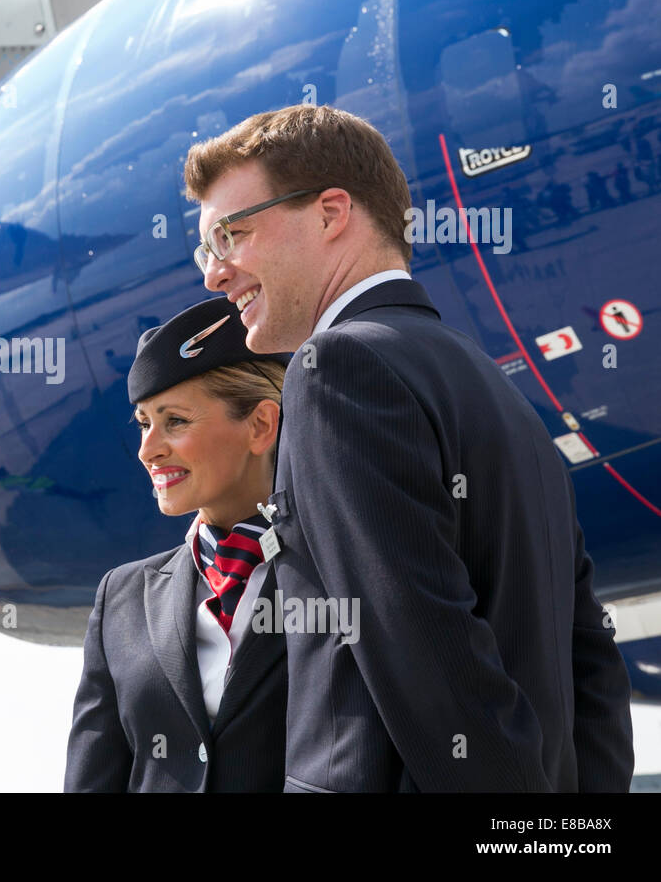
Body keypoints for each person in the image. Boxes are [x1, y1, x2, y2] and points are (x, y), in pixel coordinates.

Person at [183, 103, 634, 792]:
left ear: (331, 213)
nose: (216, 274)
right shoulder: (497, 387)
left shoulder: (335, 370)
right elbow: (589, 658)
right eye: (207, 250)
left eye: (232, 236)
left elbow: (423, 650)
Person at [65, 298, 290, 791]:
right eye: (144, 423)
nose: (148, 449)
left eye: (176, 422)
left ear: (260, 426)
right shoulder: (120, 598)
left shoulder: (340, 575)